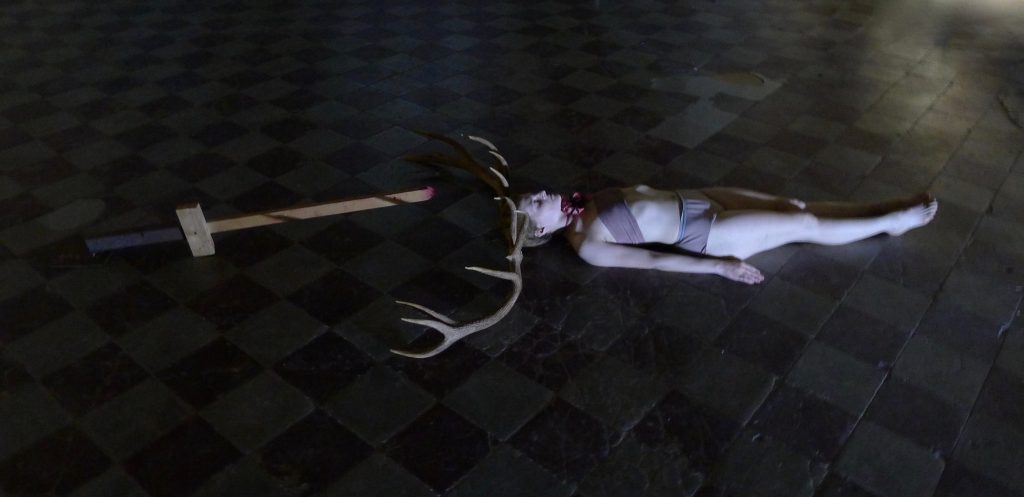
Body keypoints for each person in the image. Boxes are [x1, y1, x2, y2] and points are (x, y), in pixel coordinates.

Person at [517, 186, 938, 284]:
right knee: (804, 226)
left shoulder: (583, 202)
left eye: (534, 194)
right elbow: (653, 260)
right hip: (711, 232)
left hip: (700, 198)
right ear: (540, 229)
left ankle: (877, 210)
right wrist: (719, 267)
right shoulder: (587, 245)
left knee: (796, 208)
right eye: (535, 203)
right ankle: (891, 222)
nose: (541, 194)